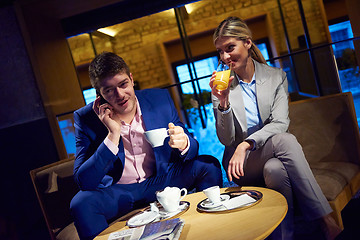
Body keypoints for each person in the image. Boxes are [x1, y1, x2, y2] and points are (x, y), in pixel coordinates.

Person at [209, 17, 341, 240]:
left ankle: (284, 236)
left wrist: (247, 143)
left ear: (248, 43)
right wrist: (223, 103)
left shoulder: (276, 77)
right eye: (220, 52)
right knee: (286, 140)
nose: (225, 57)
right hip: (242, 166)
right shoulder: (221, 85)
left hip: (266, 154)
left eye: (230, 48)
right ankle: (325, 219)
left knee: (275, 170)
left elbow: (280, 123)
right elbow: (226, 139)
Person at [70, 51, 222, 239]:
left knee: (208, 165)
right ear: (99, 95)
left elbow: (191, 145)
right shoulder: (86, 118)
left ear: (132, 79)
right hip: (119, 192)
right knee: (81, 203)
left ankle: (211, 232)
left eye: (123, 84)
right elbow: (84, 181)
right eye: (109, 90)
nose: (119, 95)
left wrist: (184, 144)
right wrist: (112, 135)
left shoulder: (159, 99)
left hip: (161, 181)